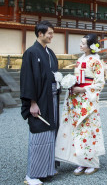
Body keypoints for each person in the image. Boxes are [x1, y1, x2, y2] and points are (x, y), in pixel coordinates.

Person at [55, 33, 106, 176]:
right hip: (76, 99)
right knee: (76, 130)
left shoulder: (96, 61)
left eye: (83, 43)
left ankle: (92, 162)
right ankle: (80, 161)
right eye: (81, 43)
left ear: (90, 46)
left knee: (88, 130)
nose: (80, 45)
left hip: (87, 98)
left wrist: (83, 89)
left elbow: (100, 82)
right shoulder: (81, 59)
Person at [20, 20, 60, 185]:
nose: (51, 36)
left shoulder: (49, 52)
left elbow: (52, 73)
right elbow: (27, 79)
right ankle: (32, 175)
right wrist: (32, 103)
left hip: (51, 98)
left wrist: (58, 80)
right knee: (39, 133)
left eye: (52, 33)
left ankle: (47, 170)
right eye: (49, 33)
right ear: (40, 34)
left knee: (51, 132)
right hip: (39, 99)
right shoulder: (31, 52)